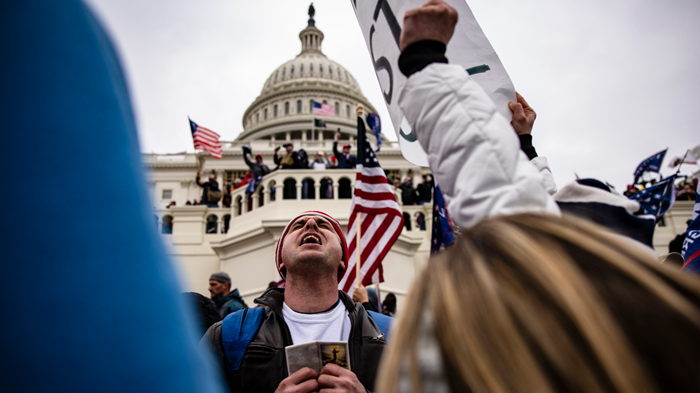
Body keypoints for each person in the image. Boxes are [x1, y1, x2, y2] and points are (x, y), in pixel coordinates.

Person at [376, 1, 700, 392]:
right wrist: (525, 145)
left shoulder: (541, 313)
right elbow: (516, 200)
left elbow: (503, 195)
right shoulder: (661, 326)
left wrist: (427, 64)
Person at [201, 212, 389, 392]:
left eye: (324, 225)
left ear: (342, 260)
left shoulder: (390, 333)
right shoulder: (228, 333)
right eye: (298, 226)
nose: (311, 224)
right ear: (281, 260)